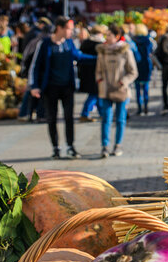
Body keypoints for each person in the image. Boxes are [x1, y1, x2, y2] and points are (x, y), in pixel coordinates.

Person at [30, 17, 96, 159]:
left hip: (67, 87)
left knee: (69, 118)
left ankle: (70, 146)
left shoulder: (69, 43)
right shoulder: (45, 44)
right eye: (69, 29)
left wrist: (99, 58)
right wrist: (34, 86)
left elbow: (78, 56)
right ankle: (56, 148)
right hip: (50, 88)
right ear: (59, 28)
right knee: (51, 119)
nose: (72, 32)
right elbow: (35, 66)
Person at [96, 23, 138, 157]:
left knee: (120, 119)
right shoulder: (102, 51)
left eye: (109, 35)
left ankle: (118, 145)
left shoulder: (125, 51)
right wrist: (100, 80)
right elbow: (98, 70)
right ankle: (105, 146)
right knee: (106, 119)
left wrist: (124, 81)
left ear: (117, 36)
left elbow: (133, 72)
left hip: (121, 89)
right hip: (106, 89)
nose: (107, 38)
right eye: (106, 35)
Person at [77, 25, 104, 122]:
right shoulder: (100, 44)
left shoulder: (85, 43)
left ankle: (102, 113)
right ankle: (84, 113)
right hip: (96, 73)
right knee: (94, 94)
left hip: (86, 73)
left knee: (97, 94)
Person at [131, 23, 155, 115]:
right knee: (145, 88)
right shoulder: (148, 40)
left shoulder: (133, 40)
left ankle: (139, 108)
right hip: (146, 65)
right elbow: (151, 52)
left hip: (136, 65)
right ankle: (146, 107)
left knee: (137, 89)